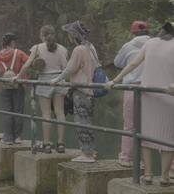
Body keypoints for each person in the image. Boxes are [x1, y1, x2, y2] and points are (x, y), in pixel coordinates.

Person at [109, 22, 174, 186]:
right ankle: (165, 177)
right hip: (167, 96)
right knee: (167, 137)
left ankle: (148, 175)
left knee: (146, 137)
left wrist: (115, 80)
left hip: (148, 95)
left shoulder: (149, 44)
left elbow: (132, 64)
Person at [51, 21, 98, 163]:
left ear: (74, 35)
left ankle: (87, 154)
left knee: (81, 121)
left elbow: (70, 69)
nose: (68, 37)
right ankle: (90, 151)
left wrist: (56, 79)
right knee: (87, 121)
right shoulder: (91, 47)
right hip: (91, 89)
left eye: (69, 35)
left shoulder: (79, 49)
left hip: (81, 89)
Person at [16, 25, 68, 153]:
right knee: (59, 112)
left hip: (44, 81)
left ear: (42, 36)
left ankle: (47, 144)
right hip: (59, 80)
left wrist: (17, 76)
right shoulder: (62, 49)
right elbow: (66, 68)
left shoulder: (37, 48)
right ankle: (61, 144)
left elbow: (27, 64)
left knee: (46, 114)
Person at [113, 21, 150, 167]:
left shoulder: (128, 46)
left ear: (133, 32)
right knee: (154, 126)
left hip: (132, 88)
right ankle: (167, 167)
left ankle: (127, 158)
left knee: (130, 125)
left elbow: (117, 63)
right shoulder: (156, 44)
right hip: (153, 88)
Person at [0, 33, 29, 145]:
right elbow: (29, 63)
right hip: (17, 84)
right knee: (18, 111)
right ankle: (18, 137)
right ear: (12, 42)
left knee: (7, 111)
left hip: (5, 86)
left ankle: (8, 138)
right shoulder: (19, 53)